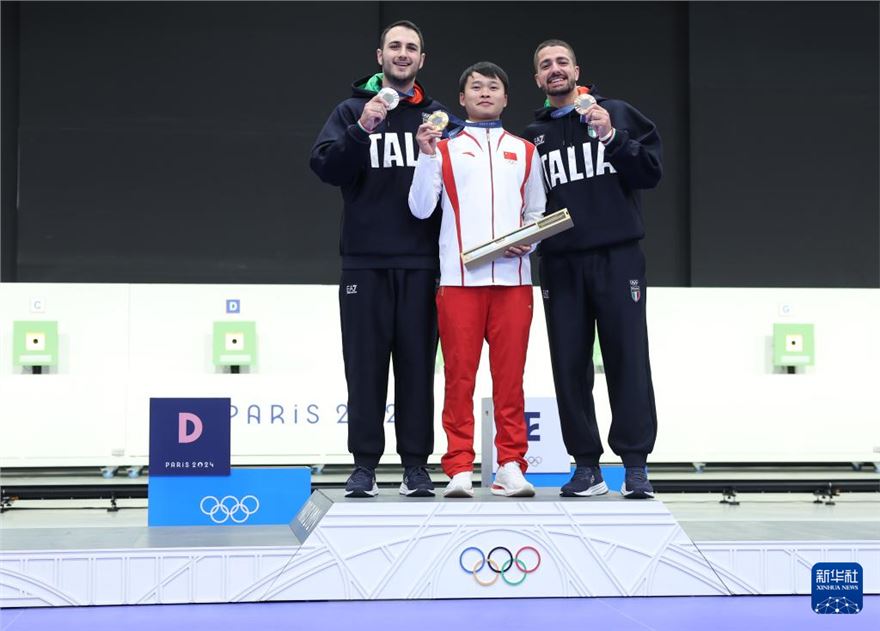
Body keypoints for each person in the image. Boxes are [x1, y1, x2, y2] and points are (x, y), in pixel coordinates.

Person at [310, 21, 447, 498]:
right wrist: (361, 130)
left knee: (417, 369)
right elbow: (325, 167)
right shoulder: (351, 111)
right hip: (363, 264)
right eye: (395, 46)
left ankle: (416, 466)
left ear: (421, 60)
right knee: (364, 368)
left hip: (422, 264)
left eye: (411, 48)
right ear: (380, 56)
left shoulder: (437, 118)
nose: (402, 54)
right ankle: (364, 465)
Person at [524, 39, 661, 499]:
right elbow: (528, 203)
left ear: (577, 70)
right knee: (569, 365)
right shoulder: (533, 136)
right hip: (560, 263)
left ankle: (636, 465)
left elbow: (650, 172)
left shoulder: (615, 112)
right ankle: (586, 466)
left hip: (618, 257)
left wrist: (612, 136)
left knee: (628, 357)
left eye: (561, 62)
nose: (555, 69)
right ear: (538, 79)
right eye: (546, 65)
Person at [409, 62, 546, 498]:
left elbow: (536, 213)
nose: (485, 93)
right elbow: (420, 208)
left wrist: (530, 241)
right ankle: (458, 467)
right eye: (476, 87)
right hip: (458, 281)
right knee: (459, 378)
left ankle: (510, 464)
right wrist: (426, 155)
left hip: (513, 282)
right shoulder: (443, 149)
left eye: (493, 87)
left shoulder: (526, 151)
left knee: (510, 379)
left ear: (506, 98)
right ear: (462, 99)